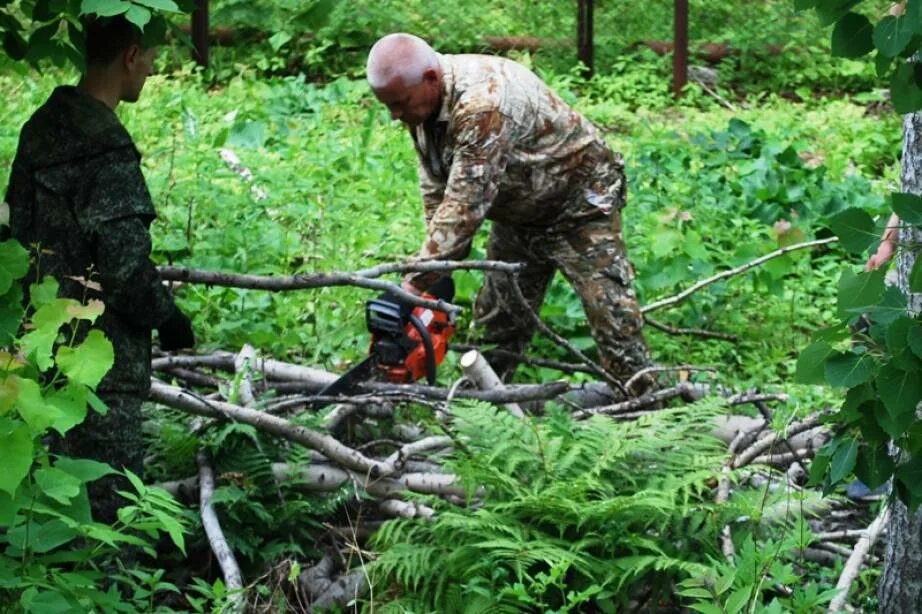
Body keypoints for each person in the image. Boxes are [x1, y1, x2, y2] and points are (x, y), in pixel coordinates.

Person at [366, 33, 652, 393]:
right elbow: (437, 186)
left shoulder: (483, 103)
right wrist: (435, 276)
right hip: (519, 212)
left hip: (579, 206)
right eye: (388, 105)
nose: (395, 115)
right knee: (498, 321)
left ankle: (645, 410)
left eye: (400, 103)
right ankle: (482, 417)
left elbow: (465, 205)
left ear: (430, 79)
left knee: (610, 315)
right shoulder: (422, 104)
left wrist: (411, 285)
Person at [4, 16, 195, 522]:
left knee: (42, 506)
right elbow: (125, 264)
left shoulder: (40, 131)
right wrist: (168, 318)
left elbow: (15, 238)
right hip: (99, 366)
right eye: (151, 60)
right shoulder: (106, 149)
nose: (152, 72)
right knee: (104, 517)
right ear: (131, 55)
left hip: (36, 354)